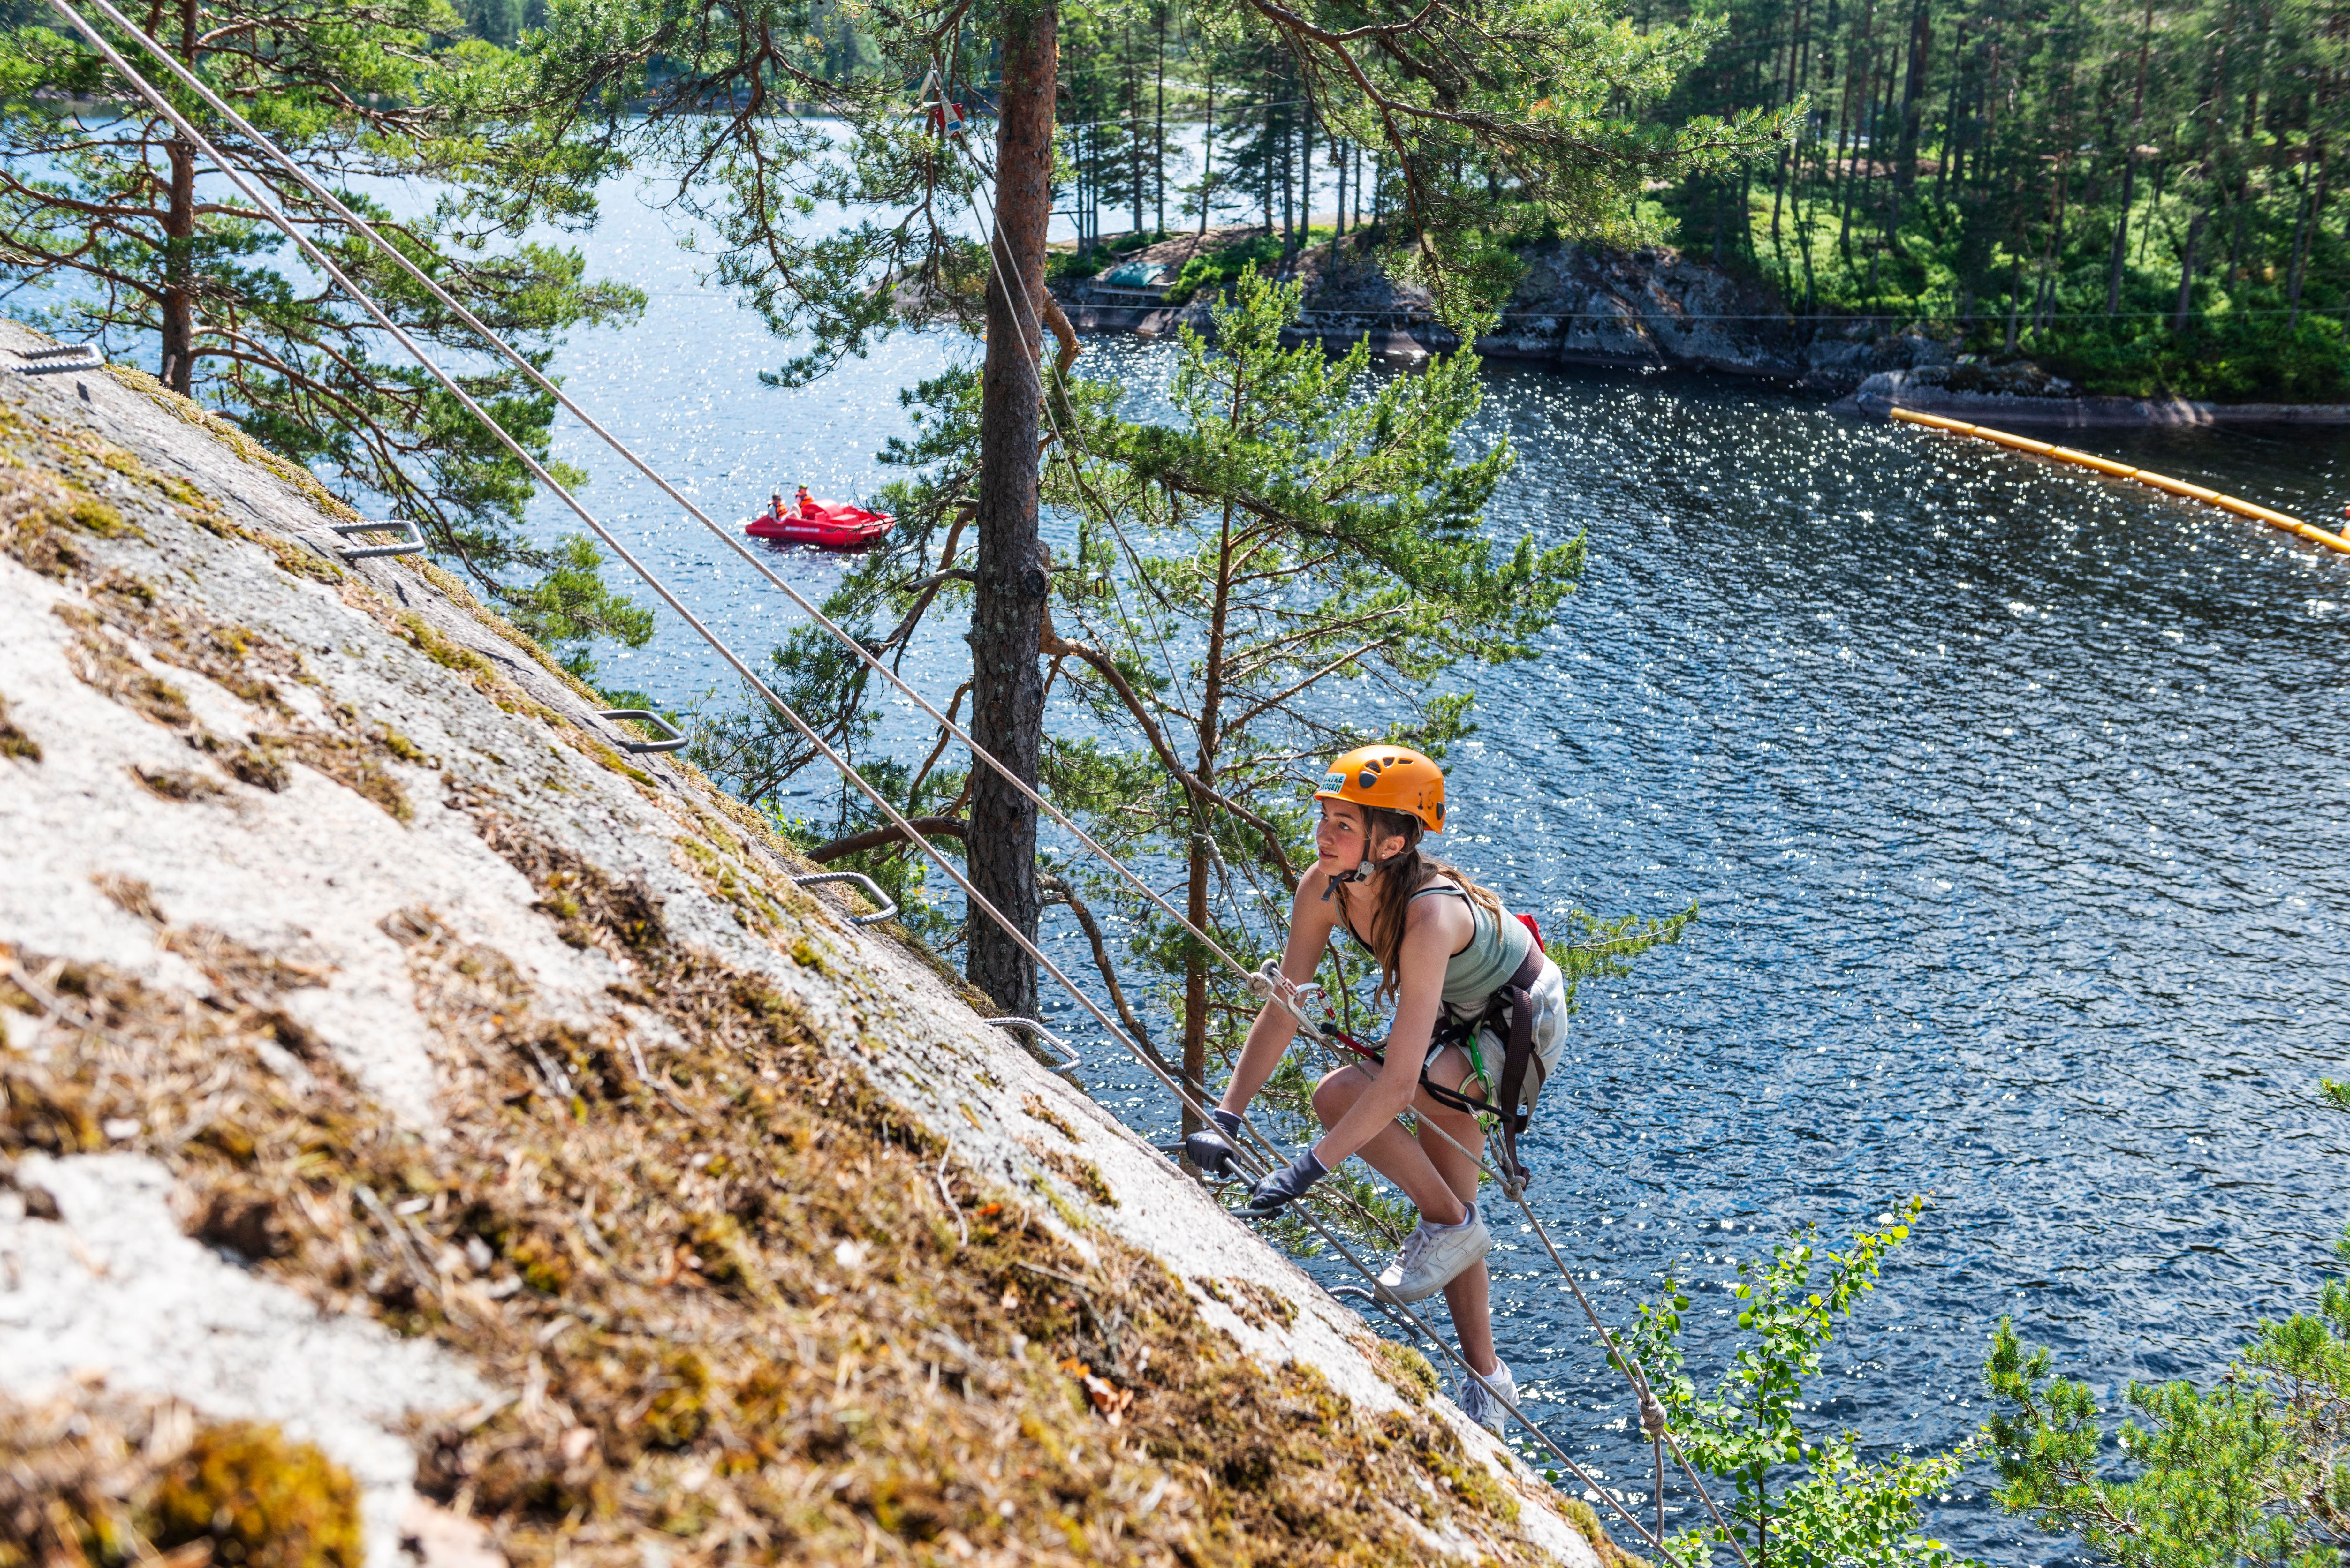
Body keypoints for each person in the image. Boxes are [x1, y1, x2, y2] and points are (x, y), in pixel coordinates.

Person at [1185, 744, 1569, 1434]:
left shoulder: (1428, 916)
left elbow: (1395, 1084)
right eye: (1324, 818)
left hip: (1515, 1023)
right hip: (1456, 1015)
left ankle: (1452, 1233)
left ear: (1388, 842)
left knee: (1375, 1103)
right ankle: (1490, 1380)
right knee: (1447, 1203)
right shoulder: (1324, 888)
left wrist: (1306, 1169)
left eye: (1342, 824)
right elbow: (1283, 1006)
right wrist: (1226, 1115)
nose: (1322, 835)